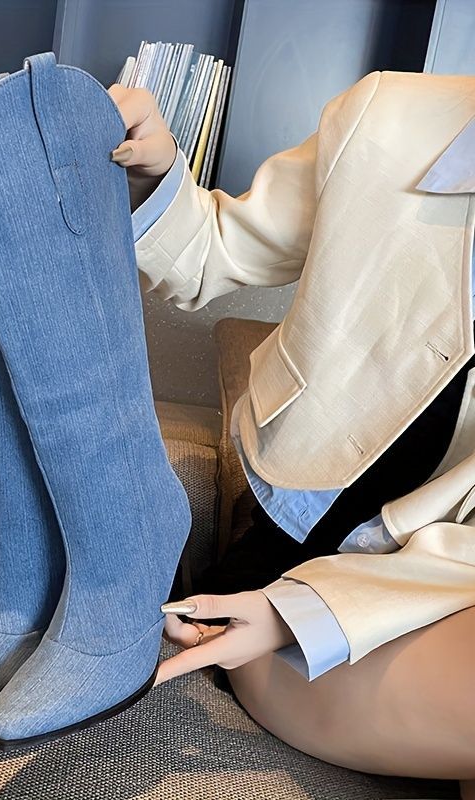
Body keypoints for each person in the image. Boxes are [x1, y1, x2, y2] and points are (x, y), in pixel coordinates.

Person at [108, 71, 475, 796]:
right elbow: (213, 249)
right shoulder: (387, 118)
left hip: (437, 593)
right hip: (293, 574)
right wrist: (152, 175)